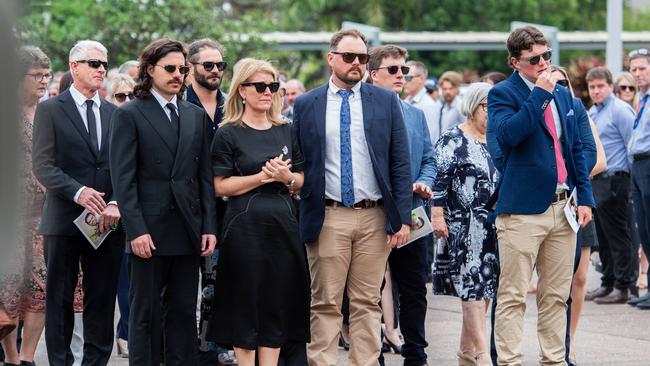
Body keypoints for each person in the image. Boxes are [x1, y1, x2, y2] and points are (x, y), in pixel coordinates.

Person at [293, 28, 413, 366]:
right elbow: (300, 159)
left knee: (366, 302)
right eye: (349, 57)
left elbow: (399, 162)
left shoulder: (385, 101)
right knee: (325, 301)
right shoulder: (306, 104)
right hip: (328, 214)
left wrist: (401, 217)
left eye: (362, 57)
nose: (357, 63)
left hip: (374, 215)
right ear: (331, 58)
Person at [486, 26, 594, 365]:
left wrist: (586, 198)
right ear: (516, 62)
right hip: (520, 212)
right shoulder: (502, 93)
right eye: (535, 59)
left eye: (547, 56)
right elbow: (508, 137)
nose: (544, 63)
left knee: (556, 296)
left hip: (564, 207)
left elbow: (575, 148)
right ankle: (510, 361)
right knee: (513, 295)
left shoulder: (563, 94)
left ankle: (554, 360)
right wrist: (539, 94)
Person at [109, 38, 217, 365]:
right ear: (150, 70)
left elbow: (203, 178)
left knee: (184, 312)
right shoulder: (129, 114)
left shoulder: (194, 115)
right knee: (145, 314)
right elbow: (123, 180)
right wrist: (136, 230)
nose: (177, 74)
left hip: (187, 229)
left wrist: (208, 226)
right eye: (170, 68)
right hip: (148, 232)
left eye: (182, 69)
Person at [205, 58, 310, 366]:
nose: (268, 92)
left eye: (273, 86)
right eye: (261, 86)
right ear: (242, 91)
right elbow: (220, 186)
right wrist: (262, 177)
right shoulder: (228, 133)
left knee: (277, 303)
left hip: (284, 225)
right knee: (245, 303)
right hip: (244, 228)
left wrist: (286, 178)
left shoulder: (286, 130)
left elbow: (301, 179)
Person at [32, 40, 124, 366]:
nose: (101, 69)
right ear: (74, 67)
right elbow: (42, 165)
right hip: (63, 219)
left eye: (104, 64)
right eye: (93, 63)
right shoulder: (50, 110)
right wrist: (78, 192)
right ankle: (60, 362)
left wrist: (114, 203)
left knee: (101, 299)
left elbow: (122, 167)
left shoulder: (116, 113)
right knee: (59, 299)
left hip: (106, 223)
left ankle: (96, 362)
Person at [368, 44, 435, 366]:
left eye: (403, 70)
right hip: (374, 211)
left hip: (414, 210)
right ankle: (372, 354)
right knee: (368, 289)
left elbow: (429, 159)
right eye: (393, 69)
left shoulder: (415, 114)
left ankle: (415, 354)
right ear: (373, 74)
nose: (400, 75)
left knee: (414, 288)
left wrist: (425, 180)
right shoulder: (362, 114)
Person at [431, 82, 498, 366]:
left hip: (493, 226)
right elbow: (438, 181)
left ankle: (465, 354)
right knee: (472, 288)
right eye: (487, 107)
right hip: (463, 225)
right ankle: (482, 355)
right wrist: (436, 215)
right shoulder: (452, 139)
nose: (492, 113)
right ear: (473, 106)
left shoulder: (497, 139)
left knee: (485, 292)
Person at [548, 64, 606, 366]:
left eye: (562, 83)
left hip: (577, 201)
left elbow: (599, 159)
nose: (557, 87)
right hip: (551, 204)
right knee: (556, 280)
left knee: (580, 277)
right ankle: (555, 342)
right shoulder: (545, 118)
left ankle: (569, 342)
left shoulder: (578, 114)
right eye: (551, 82)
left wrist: (573, 177)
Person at [0, 46, 52, 366]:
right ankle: (11, 357)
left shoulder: (51, 113)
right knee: (8, 287)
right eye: (37, 75)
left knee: (41, 285)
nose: (44, 81)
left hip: (44, 214)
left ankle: (29, 358)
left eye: (47, 75)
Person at [583, 67, 638, 304]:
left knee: (618, 236)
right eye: (592, 87)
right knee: (602, 237)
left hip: (617, 180)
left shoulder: (620, 111)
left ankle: (624, 286)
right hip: (597, 181)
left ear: (609, 86)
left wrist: (632, 184)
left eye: (600, 86)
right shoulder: (592, 113)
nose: (596, 91)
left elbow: (632, 147)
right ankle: (607, 282)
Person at [628, 48, 650, 310]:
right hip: (638, 165)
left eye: (642, 68)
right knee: (644, 229)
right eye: (634, 69)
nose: (637, 74)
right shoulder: (642, 99)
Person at [404, 61, 438, 141]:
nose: (404, 82)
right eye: (402, 77)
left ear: (421, 79)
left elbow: (430, 139)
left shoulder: (428, 105)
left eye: (408, 78)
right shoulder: (406, 101)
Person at [432, 71, 465, 135]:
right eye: (445, 89)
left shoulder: (461, 107)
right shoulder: (443, 106)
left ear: (457, 88)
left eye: (450, 88)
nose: (447, 92)